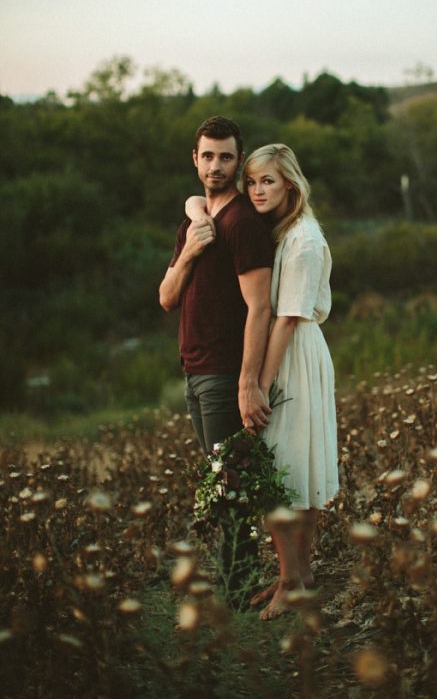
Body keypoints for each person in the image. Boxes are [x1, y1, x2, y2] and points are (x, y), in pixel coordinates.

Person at [159, 116, 274, 598]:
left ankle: (238, 590)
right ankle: (236, 584)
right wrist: (188, 251)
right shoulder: (195, 220)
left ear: (238, 160)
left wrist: (248, 382)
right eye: (207, 155)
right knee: (221, 482)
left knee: (231, 487)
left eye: (226, 156)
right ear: (195, 159)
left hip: (225, 375)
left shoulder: (244, 224)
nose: (216, 165)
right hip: (195, 371)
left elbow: (260, 307)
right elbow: (166, 297)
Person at [240, 143, 339, 620]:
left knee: (285, 468)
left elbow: (285, 319)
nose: (258, 190)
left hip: (293, 354)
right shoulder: (282, 230)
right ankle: (298, 575)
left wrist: (258, 383)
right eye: (253, 181)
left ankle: (291, 581)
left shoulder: (303, 239)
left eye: (268, 182)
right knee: (293, 466)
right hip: (294, 351)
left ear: (290, 185)